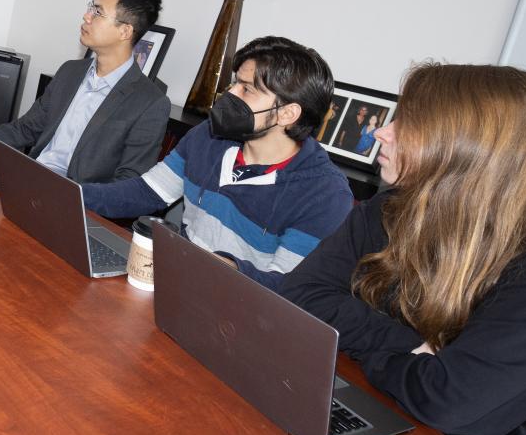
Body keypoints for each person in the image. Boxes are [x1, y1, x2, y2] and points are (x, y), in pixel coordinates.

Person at [281, 64, 526, 435]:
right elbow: (301, 296)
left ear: (467, 149)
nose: (382, 133)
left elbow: (451, 404)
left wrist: (383, 355)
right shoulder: (386, 211)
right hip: (394, 434)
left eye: (406, 123)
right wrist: (414, 351)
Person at [83, 36, 354, 290]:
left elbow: (284, 288)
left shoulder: (325, 195)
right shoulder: (211, 136)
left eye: (246, 89)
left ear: (287, 113)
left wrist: (226, 267)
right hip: (171, 278)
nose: (230, 95)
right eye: (235, 83)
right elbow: (147, 192)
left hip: (233, 309)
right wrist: (75, 194)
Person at [0, 0, 170, 184]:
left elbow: (129, 182)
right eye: (90, 8)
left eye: (98, 12)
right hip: (29, 180)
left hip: (78, 202)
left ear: (124, 31)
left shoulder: (150, 103)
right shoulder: (70, 72)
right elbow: (24, 129)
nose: (87, 16)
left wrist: (71, 196)